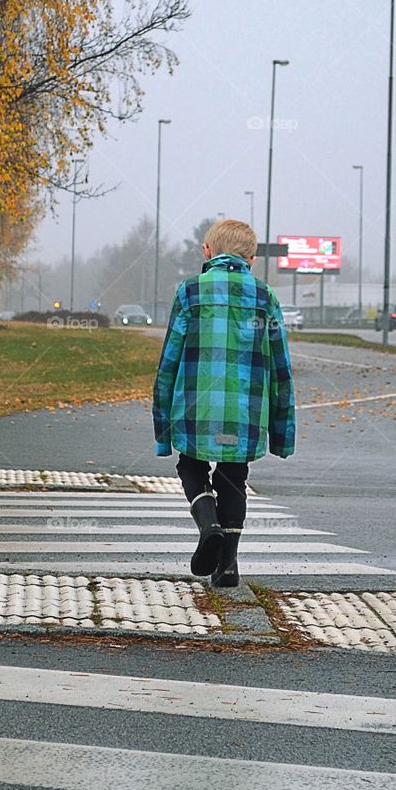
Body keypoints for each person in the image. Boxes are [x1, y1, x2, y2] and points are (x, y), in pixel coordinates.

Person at [152, 218, 296, 586]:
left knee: (191, 466)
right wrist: (282, 433)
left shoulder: (190, 292)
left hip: (195, 407)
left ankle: (208, 525)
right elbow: (281, 368)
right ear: (253, 258)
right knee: (234, 478)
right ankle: (228, 566)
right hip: (246, 413)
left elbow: (169, 360)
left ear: (207, 252)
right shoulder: (265, 298)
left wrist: (162, 423)